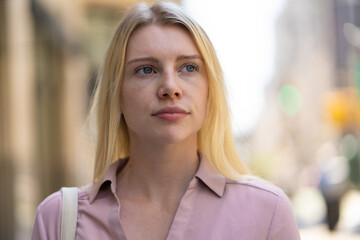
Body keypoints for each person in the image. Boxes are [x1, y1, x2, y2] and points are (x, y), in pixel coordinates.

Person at [31, 1, 301, 239]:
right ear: (117, 96)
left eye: (189, 67)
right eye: (146, 69)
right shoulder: (58, 221)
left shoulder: (268, 214)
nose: (171, 87)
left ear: (210, 91)